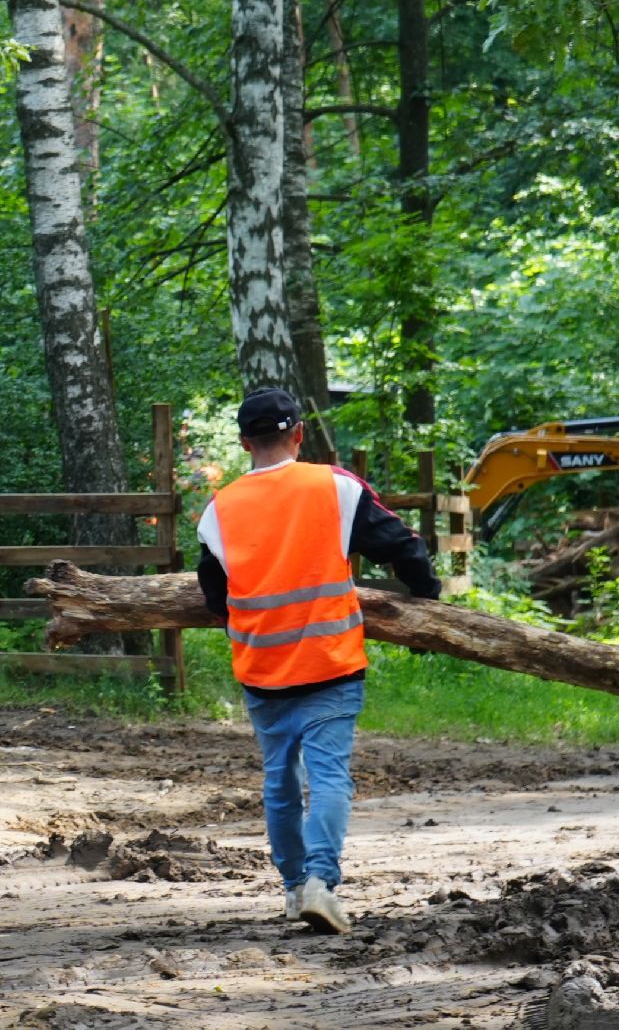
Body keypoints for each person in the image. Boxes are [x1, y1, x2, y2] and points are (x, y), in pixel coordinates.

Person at [195, 387, 440, 934]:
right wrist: (427, 601)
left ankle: (290, 888)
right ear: (298, 434)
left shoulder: (220, 508)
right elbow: (402, 546)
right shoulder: (334, 487)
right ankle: (320, 885)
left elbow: (214, 594)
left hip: (262, 668)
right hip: (330, 661)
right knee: (329, 777)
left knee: (279, 780)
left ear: (243, 443)